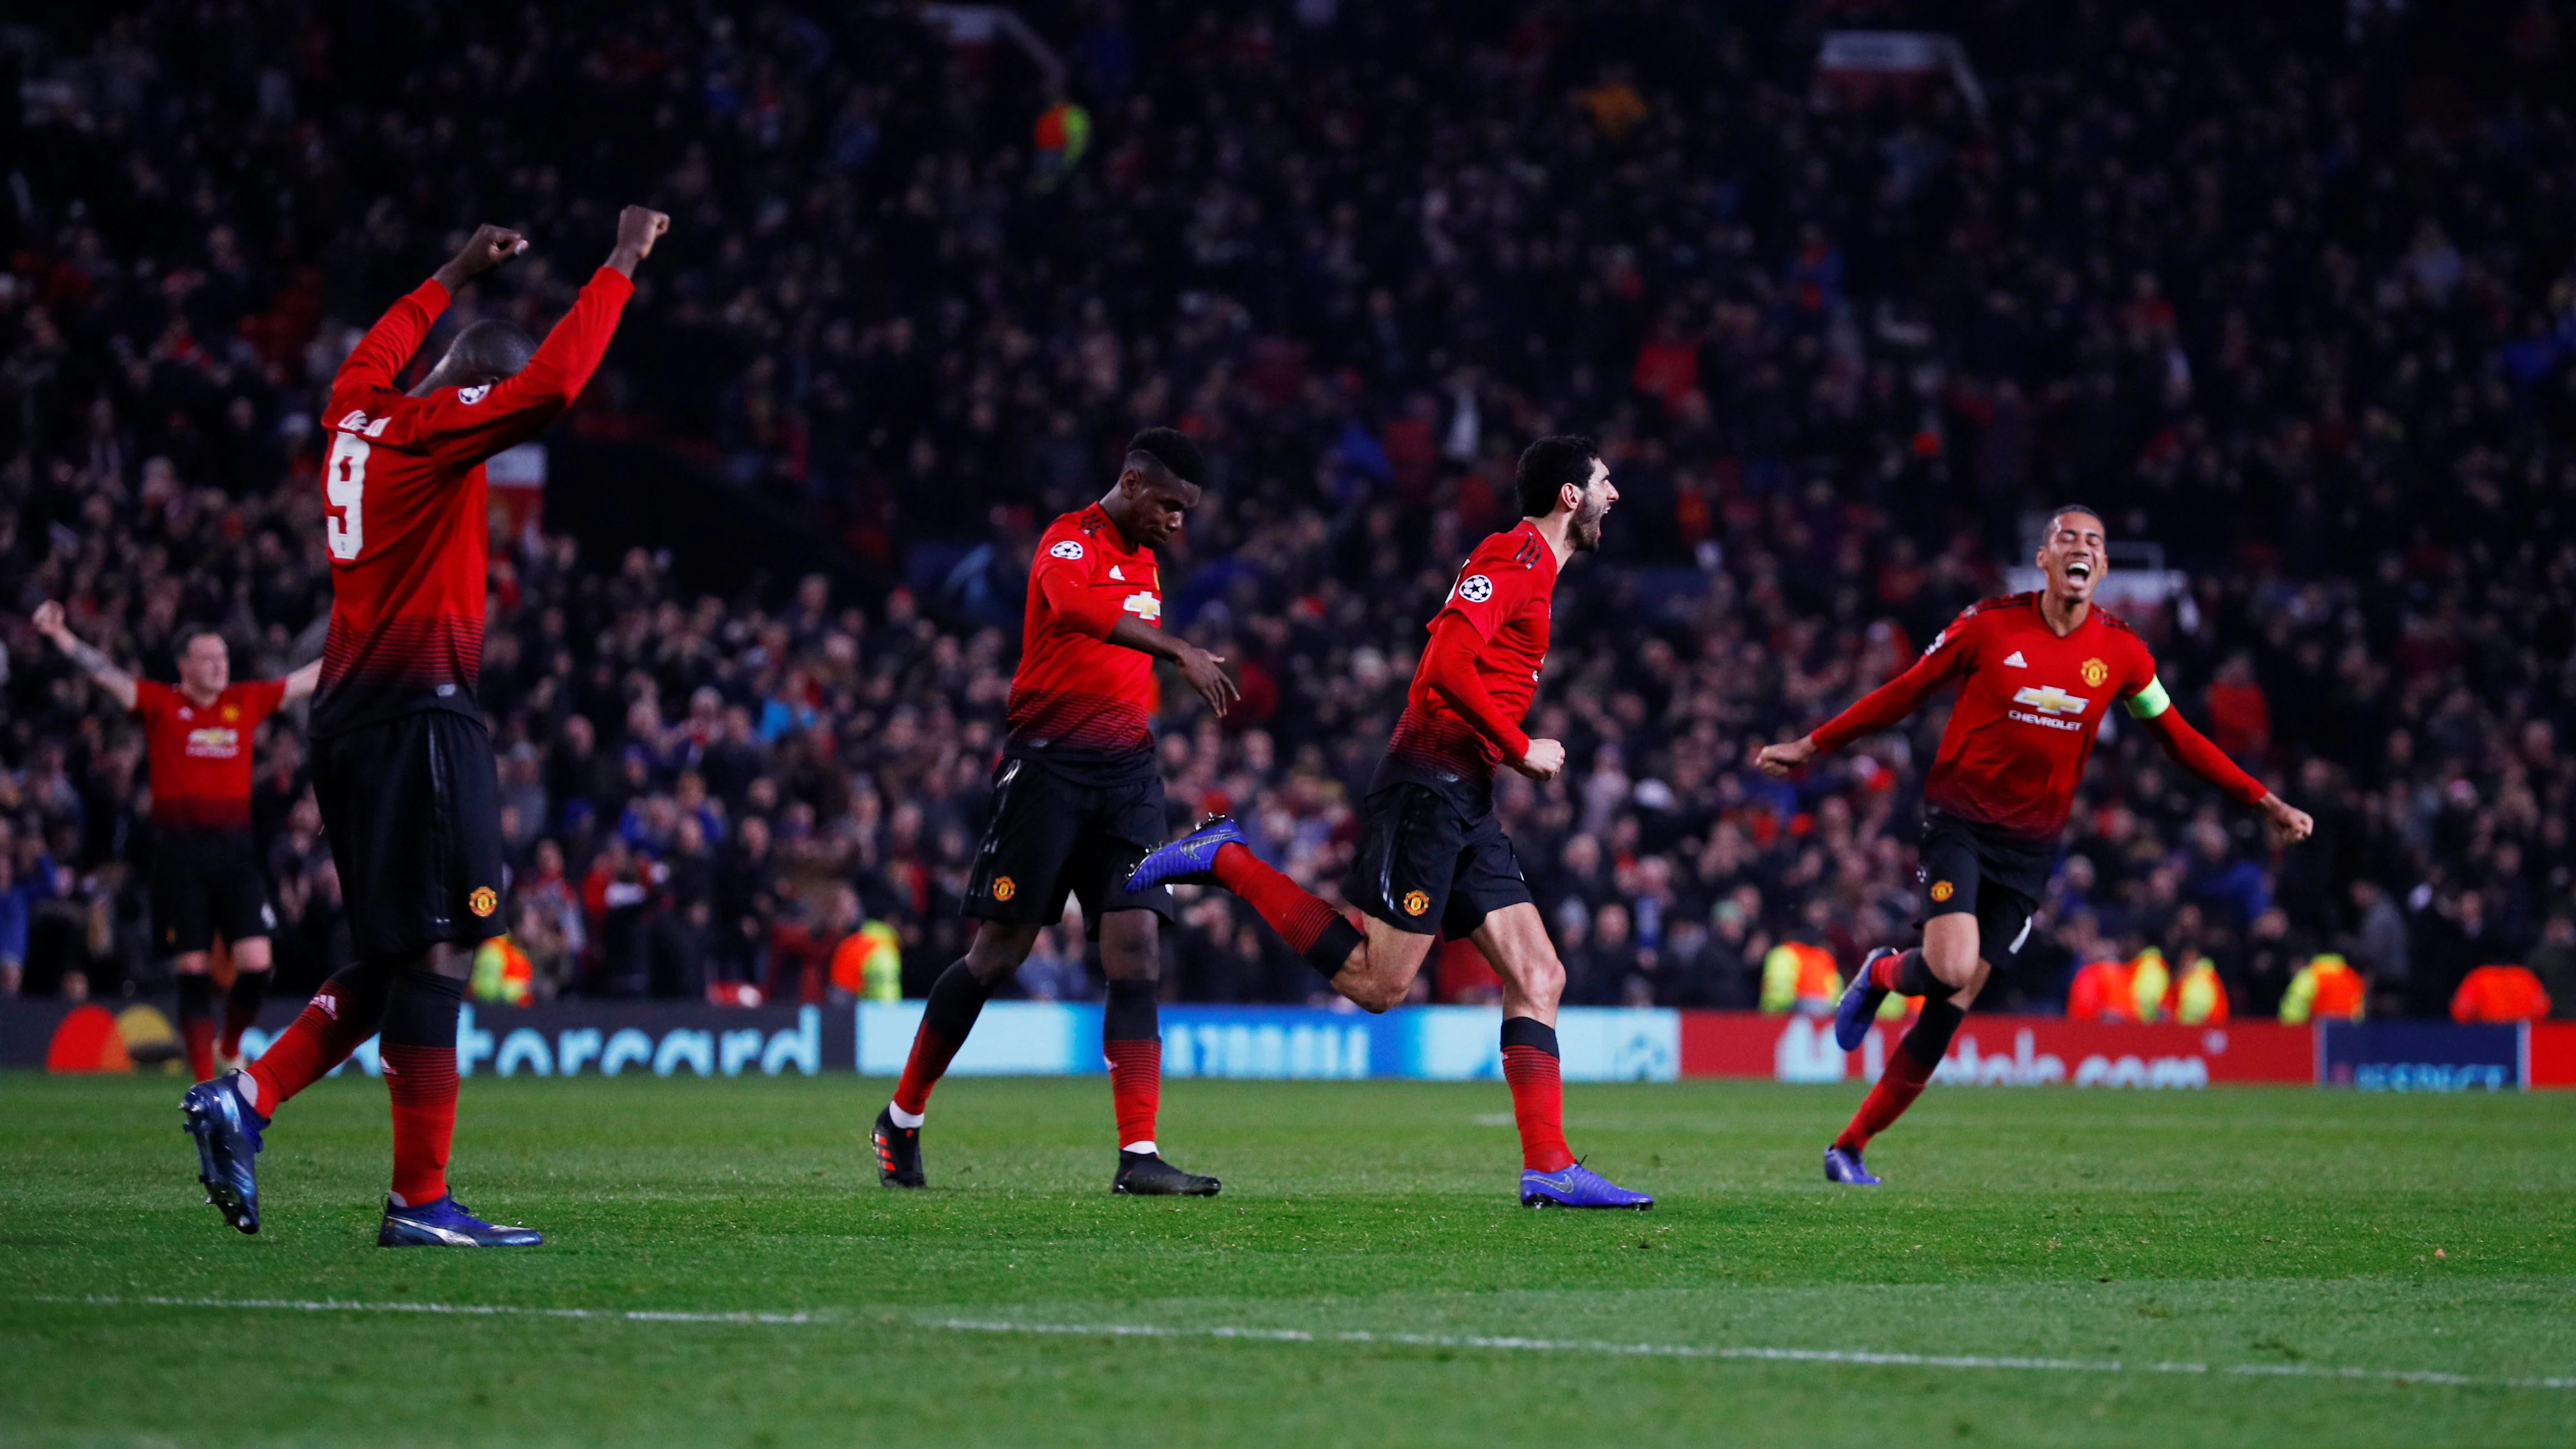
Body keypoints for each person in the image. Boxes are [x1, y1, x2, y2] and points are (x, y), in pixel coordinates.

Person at [180, 207, 667, 1247]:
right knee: (447, 947)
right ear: (473, 401)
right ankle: (420, 1201)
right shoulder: (442, 433)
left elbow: (385, 342)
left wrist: (452, 267)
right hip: (419, 716)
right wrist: (621, 261)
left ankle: (249, 1099)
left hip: (349, 718)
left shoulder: (352, 411)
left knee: (401, 950)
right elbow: (553, 388)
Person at [1126, 436, 1652, 1210]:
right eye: (1606, 483)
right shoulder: (1515, 559)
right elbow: (1441, 665)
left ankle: (1550, 1166)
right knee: (1379, 983)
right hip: (1429, 786)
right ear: (1570, 496)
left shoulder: (1535, 571)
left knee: (1540, 974)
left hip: (1465, 795)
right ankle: (1226, 856)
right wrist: (1520, 748)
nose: (1617, 495)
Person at [1755, 505, 2313, 1185]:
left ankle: (1848, 1147)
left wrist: (2264, 802)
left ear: (2103, 569)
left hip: (2030, 850)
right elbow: (1903, 693)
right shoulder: (1987, 625)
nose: (2080, 548)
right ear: (2044, 559)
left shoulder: (2122, 654)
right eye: (2066, 538)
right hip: (1959, 821)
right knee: (1950, 967)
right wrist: (1812, 745)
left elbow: (2180, 738)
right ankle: (1878, 973)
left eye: (2094, 543)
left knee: (1949, 1008)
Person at [870, 429, 1236, 1197]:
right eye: (1171, 504)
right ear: (1133, 482)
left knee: (1136, 952)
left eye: (1188, 511)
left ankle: (1139, 1154)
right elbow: (1072, 611)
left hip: (1129, 775)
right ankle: (901, 1119)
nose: (1178, 522)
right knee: (998, 955)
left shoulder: (1148, 562)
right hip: (1048, 771)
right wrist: (1179, 652)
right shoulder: (1068, 541)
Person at [33, 604, 319, 1079]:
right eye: (207, 659)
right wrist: (62, 636)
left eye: (223, 658)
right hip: (181, 855)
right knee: (193, 966)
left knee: (257, 963)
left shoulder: (245, 701)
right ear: (184, 665)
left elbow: (306, 679)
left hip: (235, 853)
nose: (219, 666)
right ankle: (205, 1080)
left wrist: (366, 637)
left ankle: (229, 1045)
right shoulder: (162, 704)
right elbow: (106, 674)